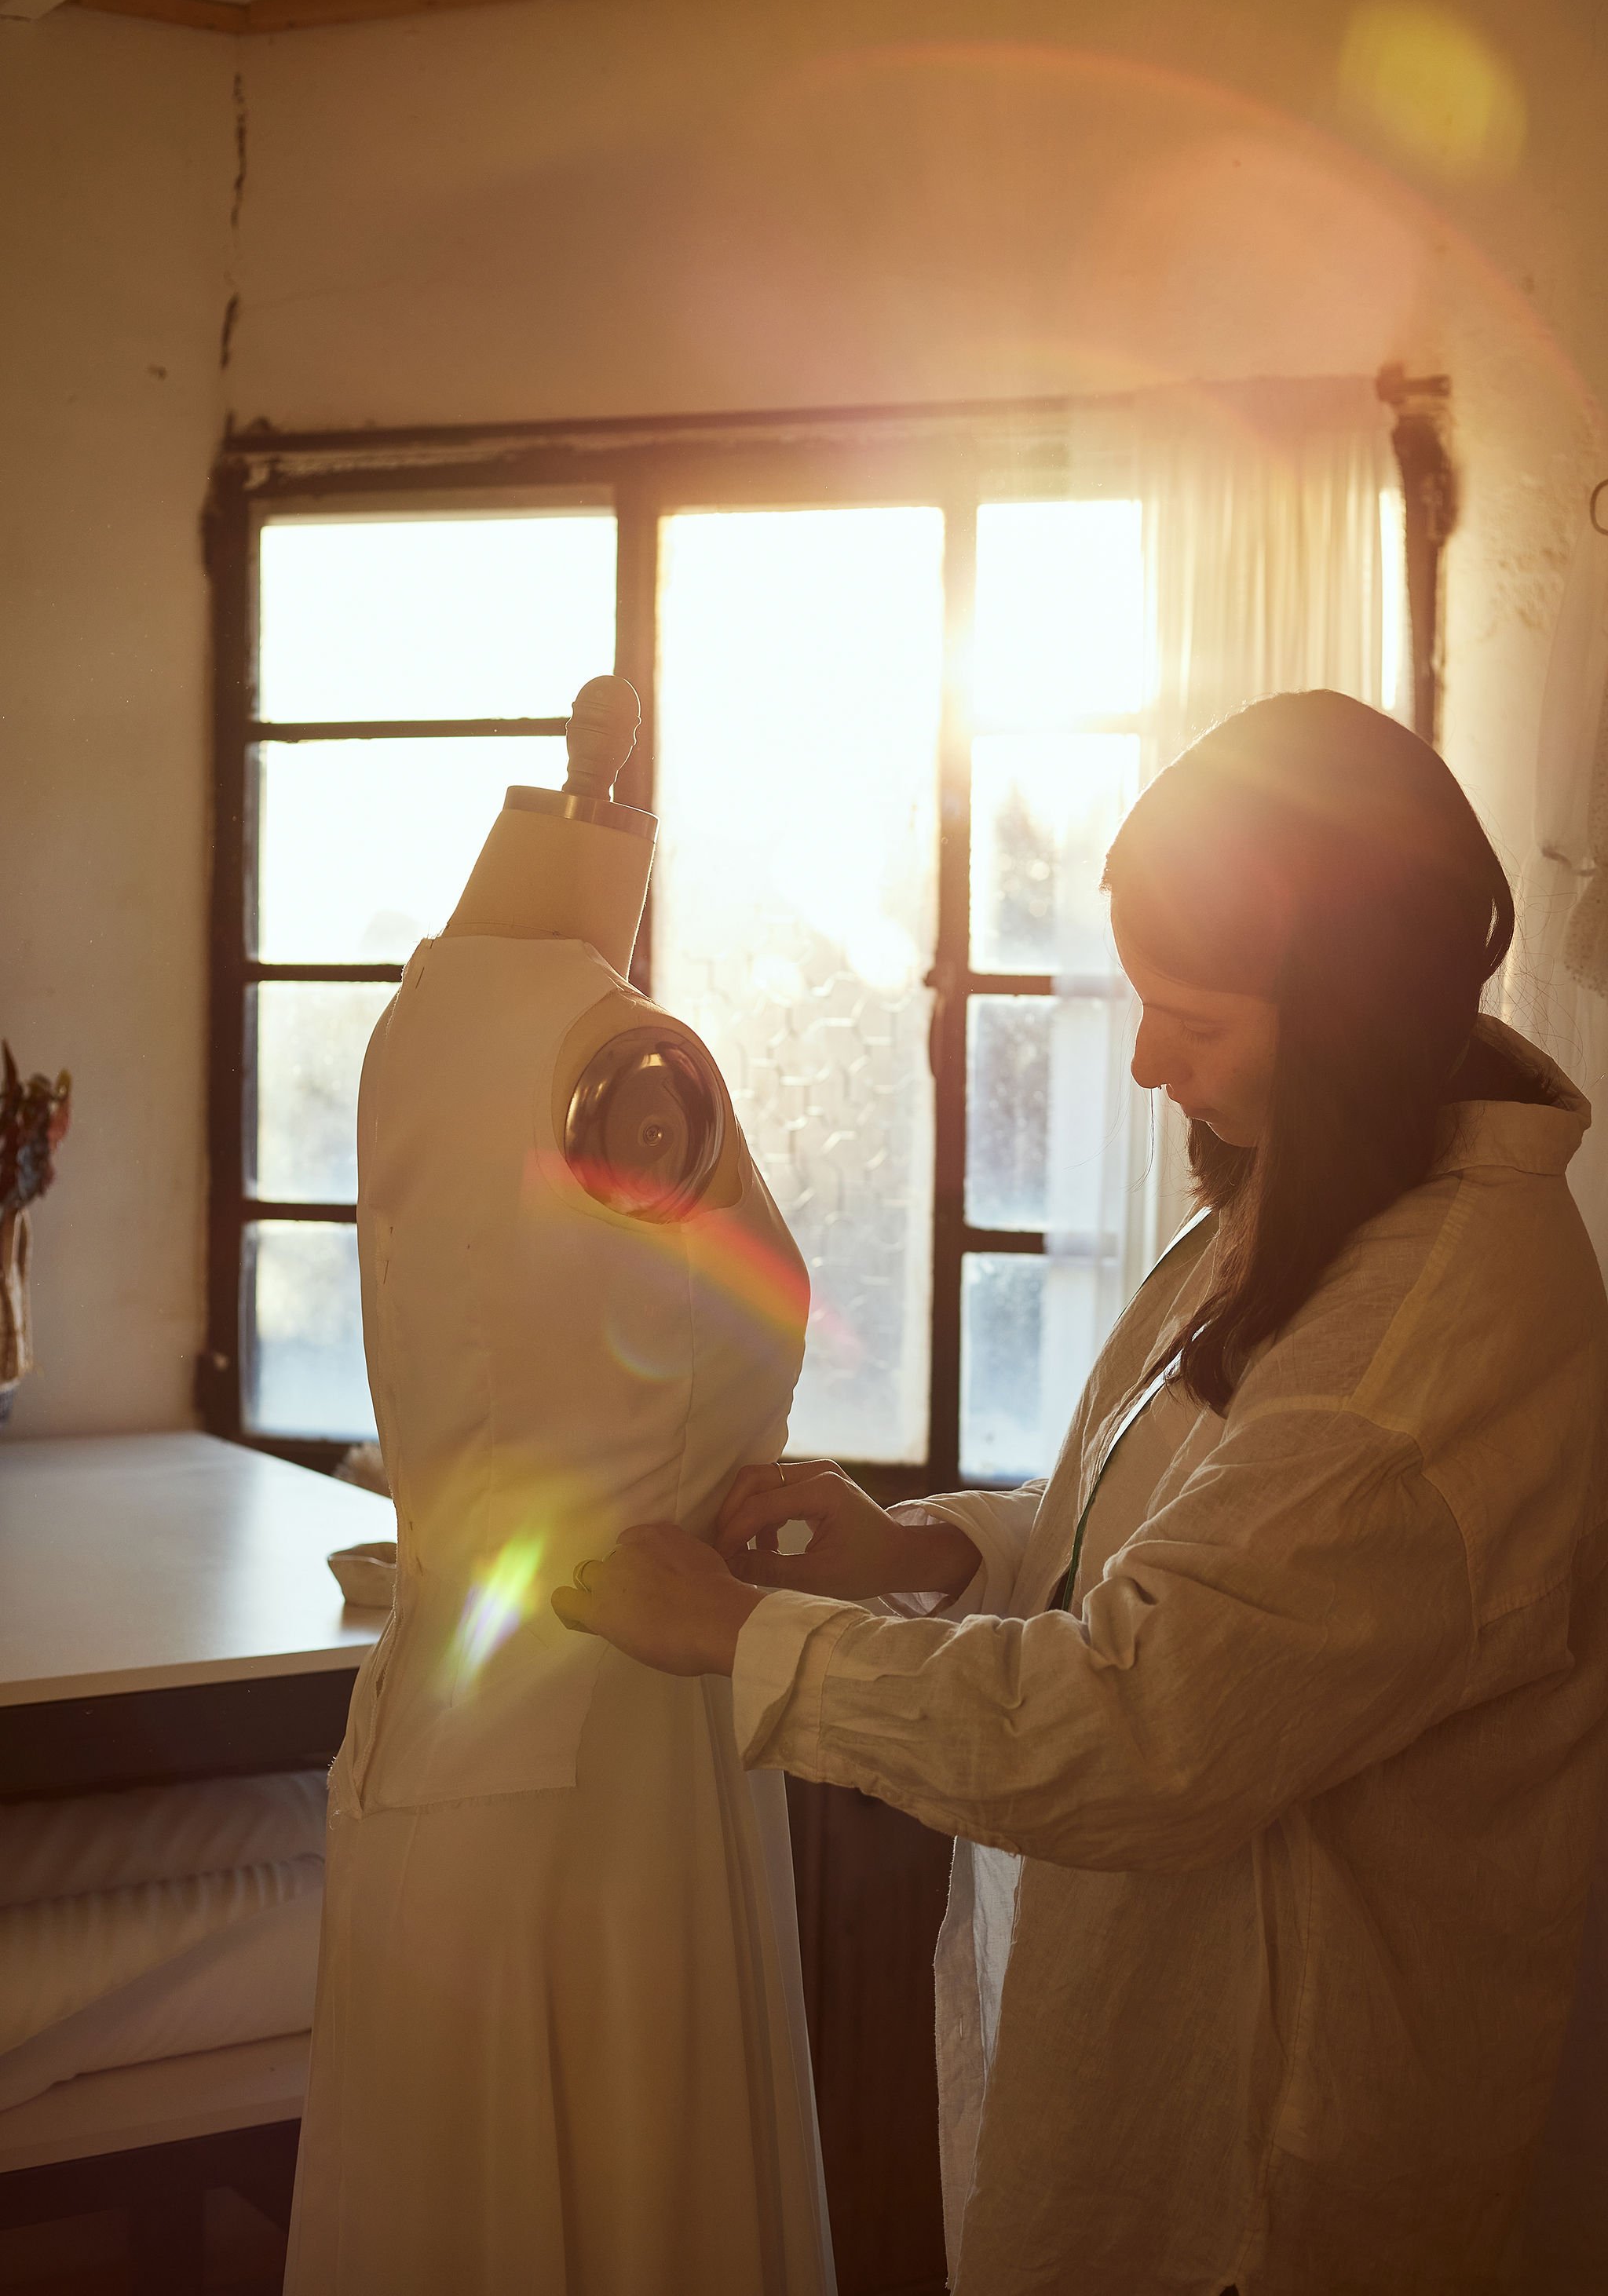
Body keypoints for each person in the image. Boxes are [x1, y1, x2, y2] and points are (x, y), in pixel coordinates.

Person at [554, 691, 1608, 2295]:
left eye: (1192, 1015)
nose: (1141, 1062)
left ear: (1346, 1010)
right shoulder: (1340, 1193)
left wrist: (737, 1639)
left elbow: (1148, 1720)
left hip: (1270, 2180)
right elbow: (1188, 1520)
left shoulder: (1419, 1354)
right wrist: (925, 1547)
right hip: (1172, 2062)